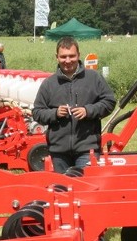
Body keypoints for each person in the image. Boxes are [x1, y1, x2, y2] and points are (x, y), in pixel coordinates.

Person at [32, 36, 116, 174]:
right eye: (63, 56)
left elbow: (109, 102)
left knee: (86, 189)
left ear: (78, 55)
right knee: (61, 190)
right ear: (56, 57)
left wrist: (88, 111)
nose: (68, 61)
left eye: (72, 56)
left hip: (87, 148)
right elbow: (37, 112)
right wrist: (55, 113)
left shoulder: (94, 78)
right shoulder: (49, 84)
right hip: (58, 151)